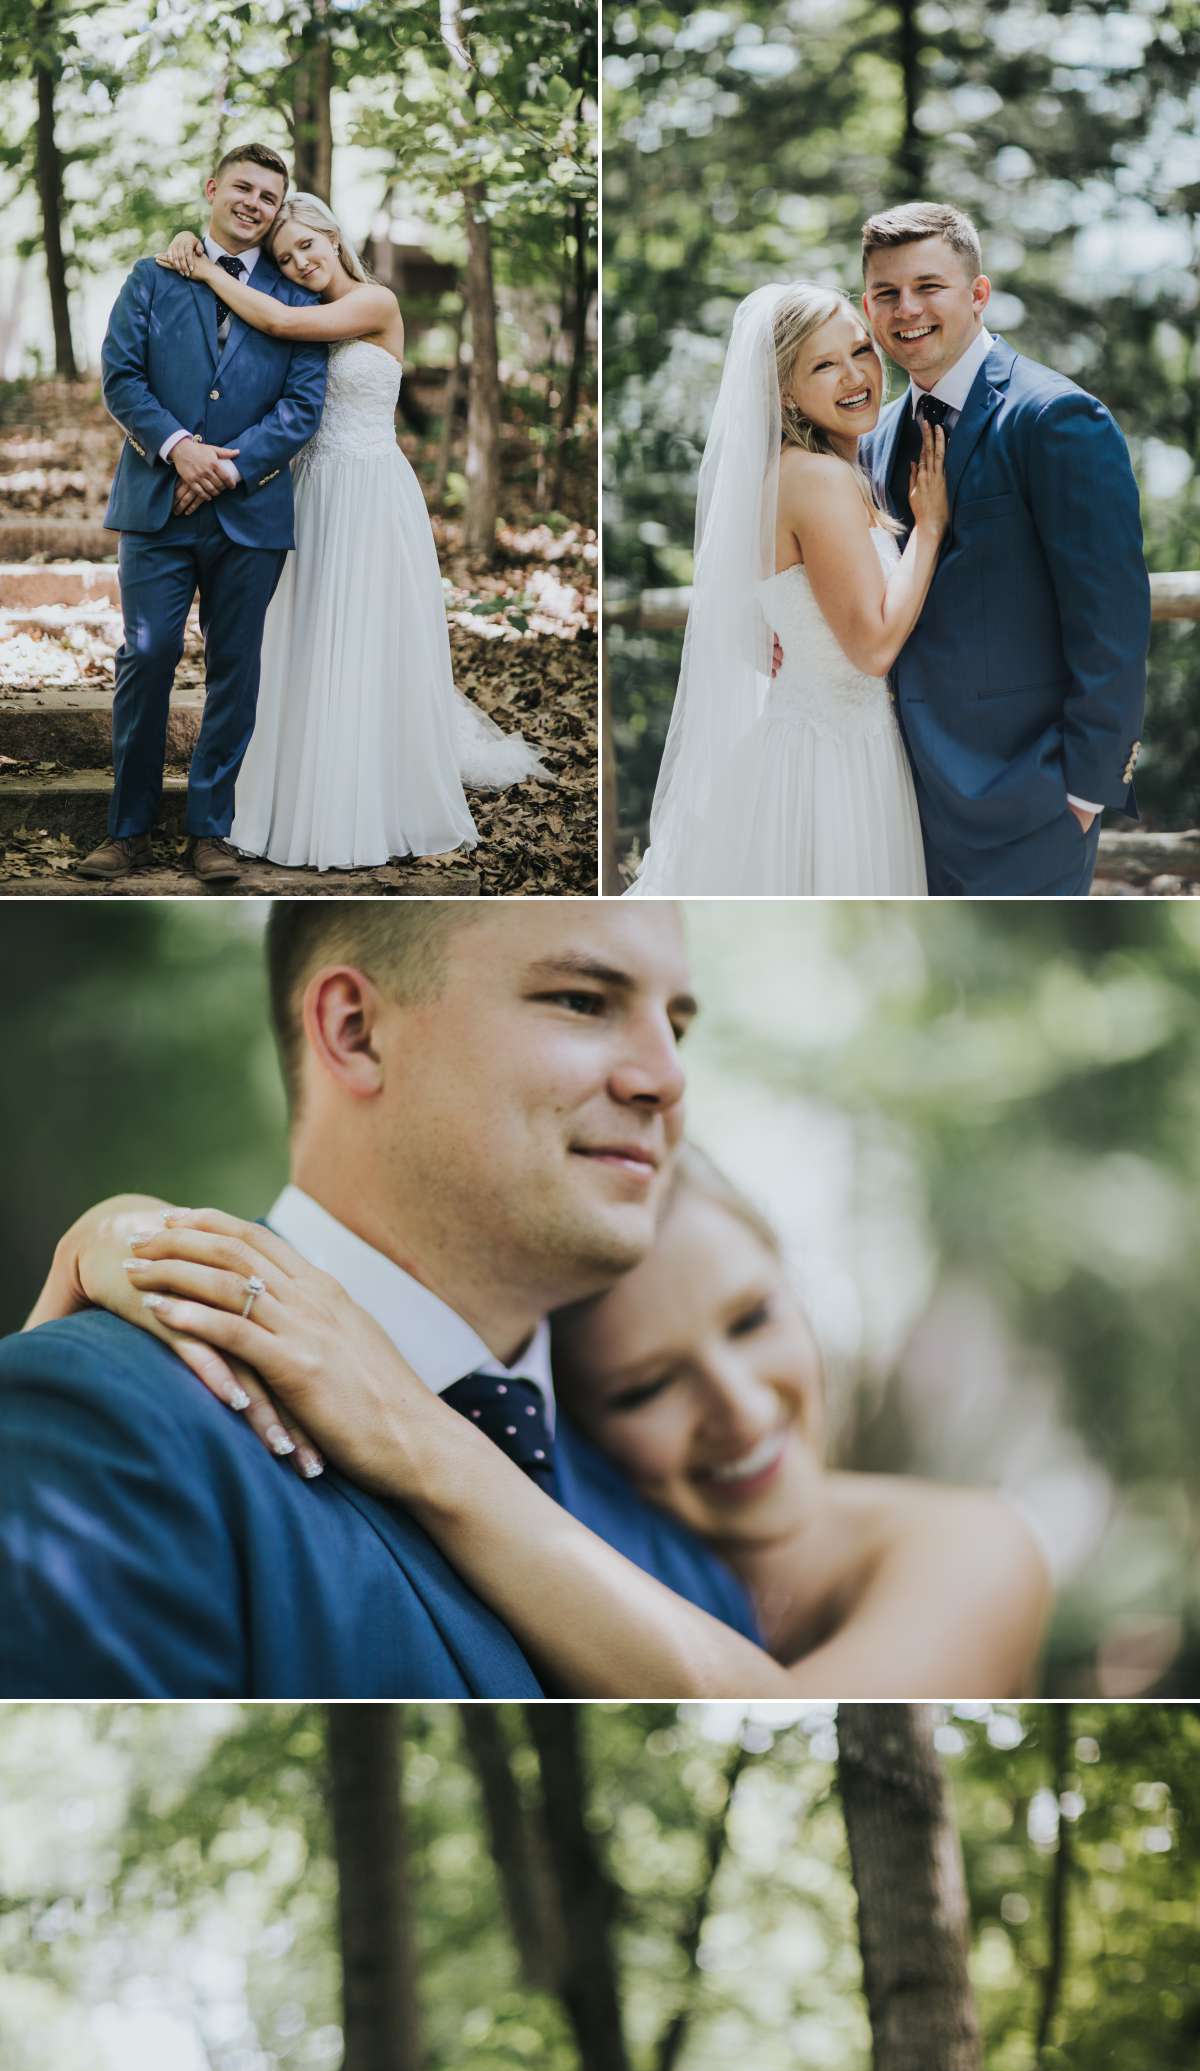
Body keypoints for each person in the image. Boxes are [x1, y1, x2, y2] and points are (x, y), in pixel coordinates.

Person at [0, 904, 761, 1701]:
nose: (667, 1078)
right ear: (356, 1030)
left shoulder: (684, 1558)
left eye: (676, 1025)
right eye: (583, 1000)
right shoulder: (94, 1418)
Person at [23, 1147, 1050, 1703]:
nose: (739, 1405)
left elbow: (785, 1728)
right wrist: (131, 1231)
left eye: (754, 1318)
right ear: (565, 1417)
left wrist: (422, 1439)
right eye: (647, 1388)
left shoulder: (972, 1547)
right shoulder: (587, 1513)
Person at [155, 197, 543, 873]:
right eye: (284, 257)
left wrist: (210, 271)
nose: (300, 262)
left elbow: (278, 319)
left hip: (369, 489)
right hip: (305, 491)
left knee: (367, 634)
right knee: (300, 635)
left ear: (334, 237)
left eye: (308, 245)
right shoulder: (281, 303)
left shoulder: (376, 301)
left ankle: (367, 799)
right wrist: (202, 244)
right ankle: (287, 797)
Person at [858, 199, 1149, 897]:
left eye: (928, 287)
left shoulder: (1055, 418)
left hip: (1027, 804)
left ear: (977, 294)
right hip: (893, 798)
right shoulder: (874, 436)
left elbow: (1111, 620)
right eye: (886, 293)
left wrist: (1082, 794)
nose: (907, 310)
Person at [630, 280, 941, 894]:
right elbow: (873, 649)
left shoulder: (790, 473)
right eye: (824, 365)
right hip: (836, 763)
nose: (855, 376)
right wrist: (929, 529)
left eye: (860, 350)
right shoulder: (819, 479)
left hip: (823, 741)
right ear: (786, 394)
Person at [83, 144, 327, 889]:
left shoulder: (299, 299)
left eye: (268, 197)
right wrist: (179, 448)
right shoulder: (154, 277)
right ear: (212, 188)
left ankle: (211, 831)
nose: (253, 203)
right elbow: (120, 377)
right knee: (148, 656)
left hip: (249, 513)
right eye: (243, 188)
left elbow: (303, 408)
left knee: (235, 669)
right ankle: (127, 831)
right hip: (156, 506)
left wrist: (222, 466)